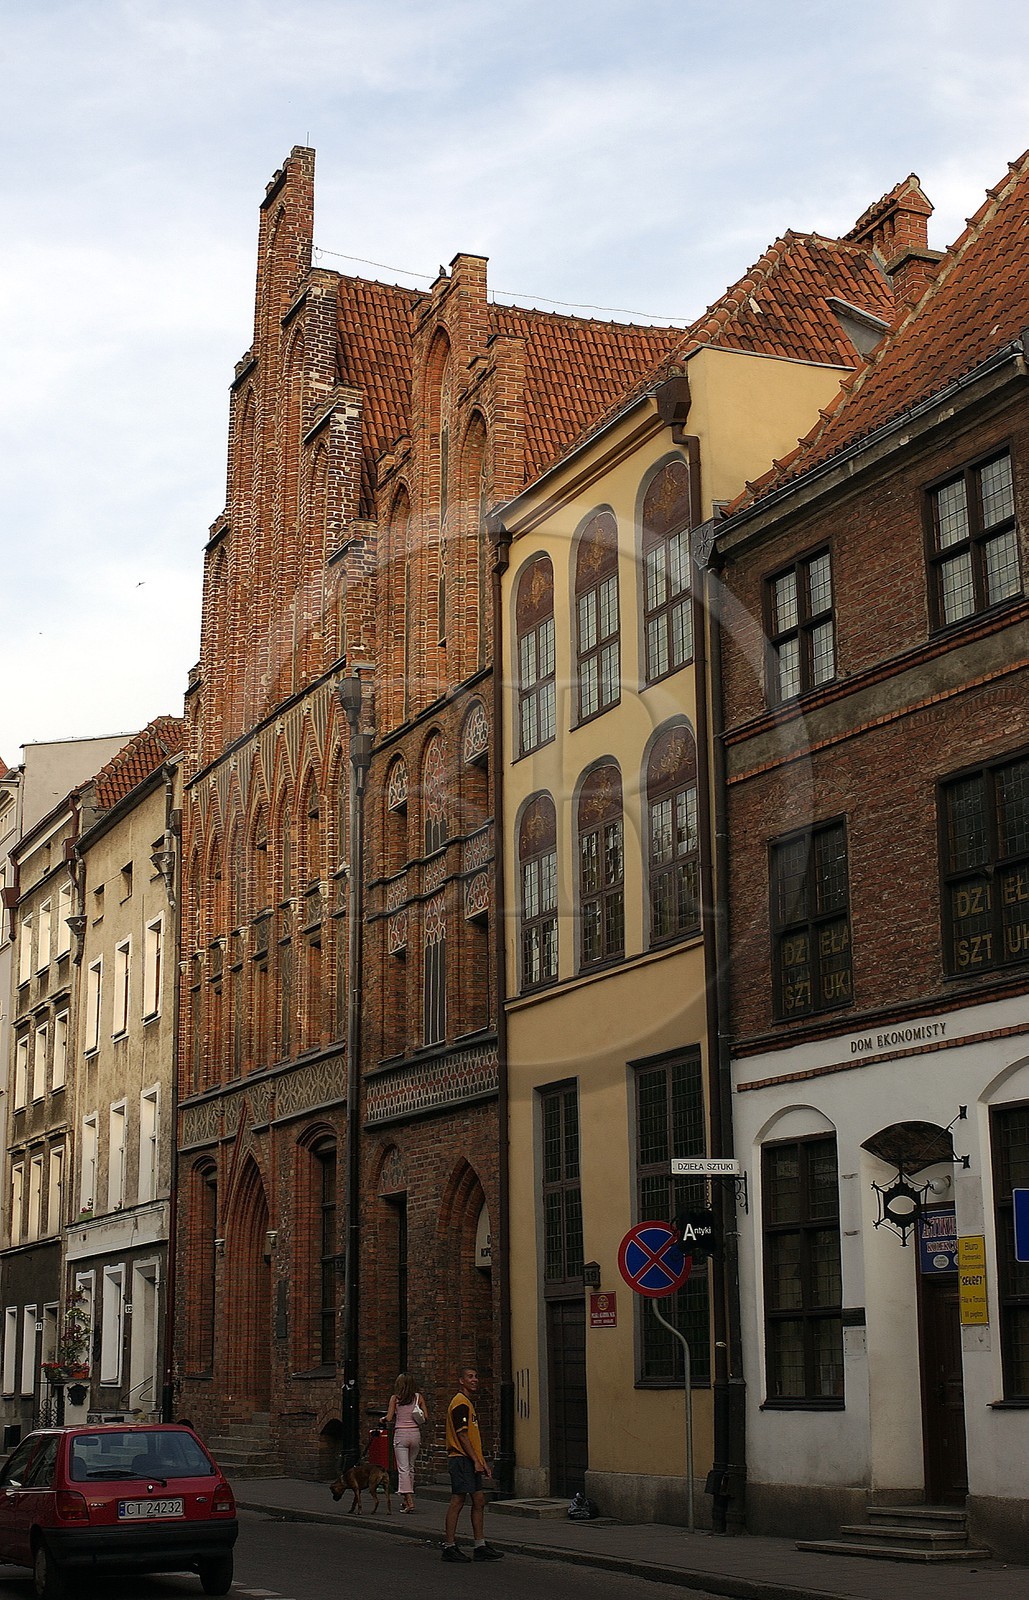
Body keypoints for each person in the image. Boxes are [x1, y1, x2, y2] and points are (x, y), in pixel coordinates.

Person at [441, 1366, 503, 1562]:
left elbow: (473, 1437)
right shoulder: (460, 1403)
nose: (474, 1379)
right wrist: (476, 1460)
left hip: (470, 1460)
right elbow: (462, 1434)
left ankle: (480, 1545)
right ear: (461, 1381)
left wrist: (482, 1462)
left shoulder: (467, 1403)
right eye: (470, 1377)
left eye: (476, 1376)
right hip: (460, 1459)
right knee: (458, 1501)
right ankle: (449, 1546)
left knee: (479, 1501)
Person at [384, 1372, 426, 1513]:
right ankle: (405, 1500)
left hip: (401, 1435)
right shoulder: (418, 1397)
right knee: (411, 1467)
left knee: (403, 1469)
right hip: (415, 1434)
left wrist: (382, 1419)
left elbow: (389, 1418)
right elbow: (425, 1416)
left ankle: (409, 1501)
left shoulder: (395, 1399)